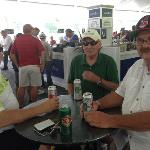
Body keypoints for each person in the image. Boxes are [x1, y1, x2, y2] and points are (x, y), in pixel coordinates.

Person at [83, 15, 150, 150]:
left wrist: (110, 120)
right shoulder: (136, 66)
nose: (145, 45)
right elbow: (119, 94)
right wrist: (98, 103)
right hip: (126, 138)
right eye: (140, 40)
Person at [0, 52, 59, 150]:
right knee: (45, 140)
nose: (1, 54)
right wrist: (41, 108)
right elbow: (2, 119)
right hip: (5, 133)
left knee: (50, 130)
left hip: (13, 124)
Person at [68, 29, 119, 100]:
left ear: (100, 44)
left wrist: (97, 80)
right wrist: (72, 99)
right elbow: (70, 83)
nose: (89, 46)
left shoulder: (109, 61)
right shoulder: (76, 61)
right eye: (85, 43)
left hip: (103, 105)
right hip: (80, 105)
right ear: (82, 46)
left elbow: (116, 87)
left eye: (93, 43)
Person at [10, 24, 45, 107]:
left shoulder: (17, 40)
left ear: (23, 30)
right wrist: (42, 64)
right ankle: (33, 105)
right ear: (31, 30)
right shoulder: (35, 39)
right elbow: (42, 53)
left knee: (21, 87)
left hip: (22, 67)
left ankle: (20, 106)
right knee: (34, 86)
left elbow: (12, 54)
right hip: (35, 66)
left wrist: (17, 65)